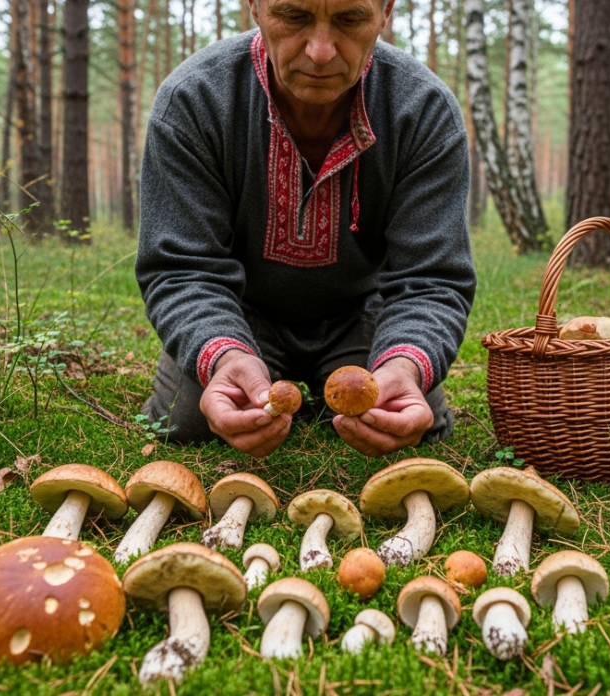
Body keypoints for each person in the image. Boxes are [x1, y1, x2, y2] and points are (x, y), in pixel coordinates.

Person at [135, 0, 475, 458]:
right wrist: (225, 354)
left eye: (350, 19)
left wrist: (405, 362)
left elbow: (431, 278)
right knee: (191, 422)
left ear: (385, 11)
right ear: (255, 6)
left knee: (407, 422)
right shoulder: (195, 100)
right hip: (239, 311)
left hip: (361, 317)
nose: (320, 51)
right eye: (293, 17)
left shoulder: (422, 109)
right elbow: (181, 268)